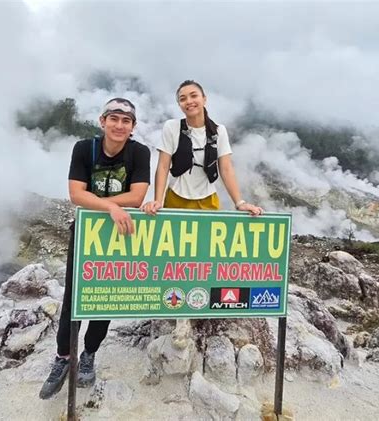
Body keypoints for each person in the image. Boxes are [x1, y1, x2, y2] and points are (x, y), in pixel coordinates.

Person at [39, 98, 150, 399]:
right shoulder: (84, 149)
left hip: (118, 236)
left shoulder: (139, 153)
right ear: (102, 121)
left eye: (125, 121)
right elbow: (76, 194)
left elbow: (139, 196)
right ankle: (63, 357)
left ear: (133, 127)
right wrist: (113, 207)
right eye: (113, 118)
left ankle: (88, 354)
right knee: (74, 296)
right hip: (87, 232)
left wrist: (101, 204)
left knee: (105, 296)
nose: (119, 125)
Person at [141, 79, 262, 215]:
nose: (189, 101)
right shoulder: (172, 127)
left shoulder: (218, 131)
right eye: (183, 99)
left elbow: (226, 169)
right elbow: (163, 166)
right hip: (175, 198)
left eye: (194, 96)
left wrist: (240, 203)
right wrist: (158, 201)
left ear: (204, 99)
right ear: (179, 105)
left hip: (208, 201)